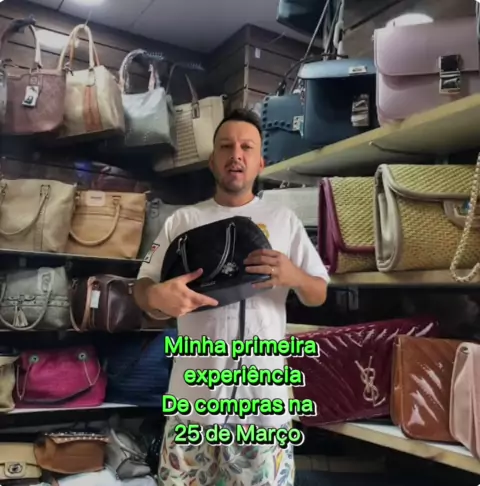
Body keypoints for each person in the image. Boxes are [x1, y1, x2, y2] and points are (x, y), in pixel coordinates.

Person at [134, 109, 330, 486]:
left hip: (263, 405)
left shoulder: (285, 220)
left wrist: (294, 275)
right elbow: (141, 285)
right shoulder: (180, 222)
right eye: (226, 146)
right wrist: (156, 295)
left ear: (260, 162)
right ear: (212, 160)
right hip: (192, 403)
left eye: (246, 147)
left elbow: (318, 292)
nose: (235, 154)